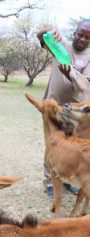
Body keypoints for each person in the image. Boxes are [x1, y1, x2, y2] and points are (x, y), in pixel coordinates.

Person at [37, 21, 90, 198]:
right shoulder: (62, 46)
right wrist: (51, 31)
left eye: (87, 37)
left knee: (72, 148)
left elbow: (86, 83)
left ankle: (68, 181)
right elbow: (40, 36)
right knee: (52, 145)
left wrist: (71, 74)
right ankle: (50, 182)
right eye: (80, 34)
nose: (83, 39)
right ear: (74, 33)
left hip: (75, 111)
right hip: (53, 106)